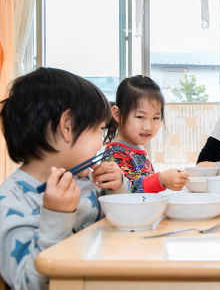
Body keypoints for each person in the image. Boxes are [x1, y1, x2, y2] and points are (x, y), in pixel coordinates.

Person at [0, 68, 129, 290]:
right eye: (99, 130)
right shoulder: (13, 202)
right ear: (67, 126)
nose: (102, 142)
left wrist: (117, 188)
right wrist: (57, 216)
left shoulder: (85, 178)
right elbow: (28, 283)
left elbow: (123, 223)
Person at [104, 75, 188, 193]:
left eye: (155, 117)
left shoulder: (136, 148)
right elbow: (127, 193)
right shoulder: (115, 153)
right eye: (140, 117)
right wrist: (161, 180)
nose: (148, 127)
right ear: (118, 114)